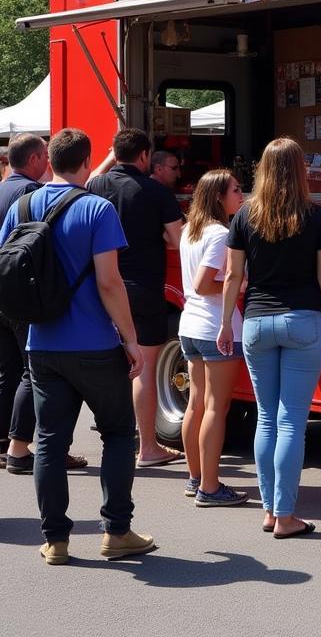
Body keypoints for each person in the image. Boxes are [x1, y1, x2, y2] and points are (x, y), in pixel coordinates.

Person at [0, 128, 155, 565]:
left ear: (48, 159)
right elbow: (109, 281)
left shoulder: (22, 205)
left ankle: (56, 540)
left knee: (48, 440)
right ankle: (117, 532)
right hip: (94, 344)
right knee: (119, 434)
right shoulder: (96, 208)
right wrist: (130, 339)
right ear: (87, 162)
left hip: (41, 342)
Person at [217, 137, 321, 538]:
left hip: (256, 322)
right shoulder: (316, 216)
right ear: (300, 170)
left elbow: (234, 277)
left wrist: (224, 324)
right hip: (304, 321)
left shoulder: (245, 216)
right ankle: (286, 516)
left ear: (262, 170)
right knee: (292, 422)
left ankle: (271, 510)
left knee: (266, 419)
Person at [88, 128, 184, 467]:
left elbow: (88, 182)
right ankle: (148, 448)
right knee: (144, 369)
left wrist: (109, 157)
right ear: (145, 157)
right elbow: (177, 240)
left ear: (116, 154)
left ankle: (117, 439)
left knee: (111, 368)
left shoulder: (95, 187)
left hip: (102, 286)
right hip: (143, 289)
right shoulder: (156, 191)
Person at [0, 133, 87, 475]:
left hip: (4, 290)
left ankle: (7, 444)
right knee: (32, 372)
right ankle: (24, 447)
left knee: (8, 372)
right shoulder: (29, 194)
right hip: (27, 293)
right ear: (36, 159)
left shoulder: (3, 188)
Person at [177, 169, 248, 506]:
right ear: (219, 196)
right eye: (236, 189)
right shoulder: (220, 233)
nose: (242, 194)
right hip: (215, 327)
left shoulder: (191, 228)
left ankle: (196, 479)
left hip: (190, 325)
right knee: (216, 408)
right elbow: (205, 284)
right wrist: (239, 284)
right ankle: (210, 486)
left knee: (197, 402)